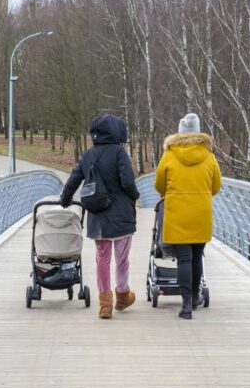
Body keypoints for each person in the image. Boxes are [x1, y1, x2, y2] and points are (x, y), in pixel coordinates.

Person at [60, 114, 140, 319]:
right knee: (122, 259)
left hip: (98, 215)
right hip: (121, 214)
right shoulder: (119, 153)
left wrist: (65, 198)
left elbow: (74, 178)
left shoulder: (88, 155)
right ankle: (122, 296)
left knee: (102, 259)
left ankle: (105, 304)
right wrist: (135, 196)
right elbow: (128, 182)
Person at [154, 113, 222, 320]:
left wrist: (169, 195)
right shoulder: (209, 155)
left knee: (183, 259)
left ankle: (185, 306)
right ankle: (194, 296)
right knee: (196, 257)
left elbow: (159, 183)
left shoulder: (170, 154)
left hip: (177, 213)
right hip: (200, 213)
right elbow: (216, 185)